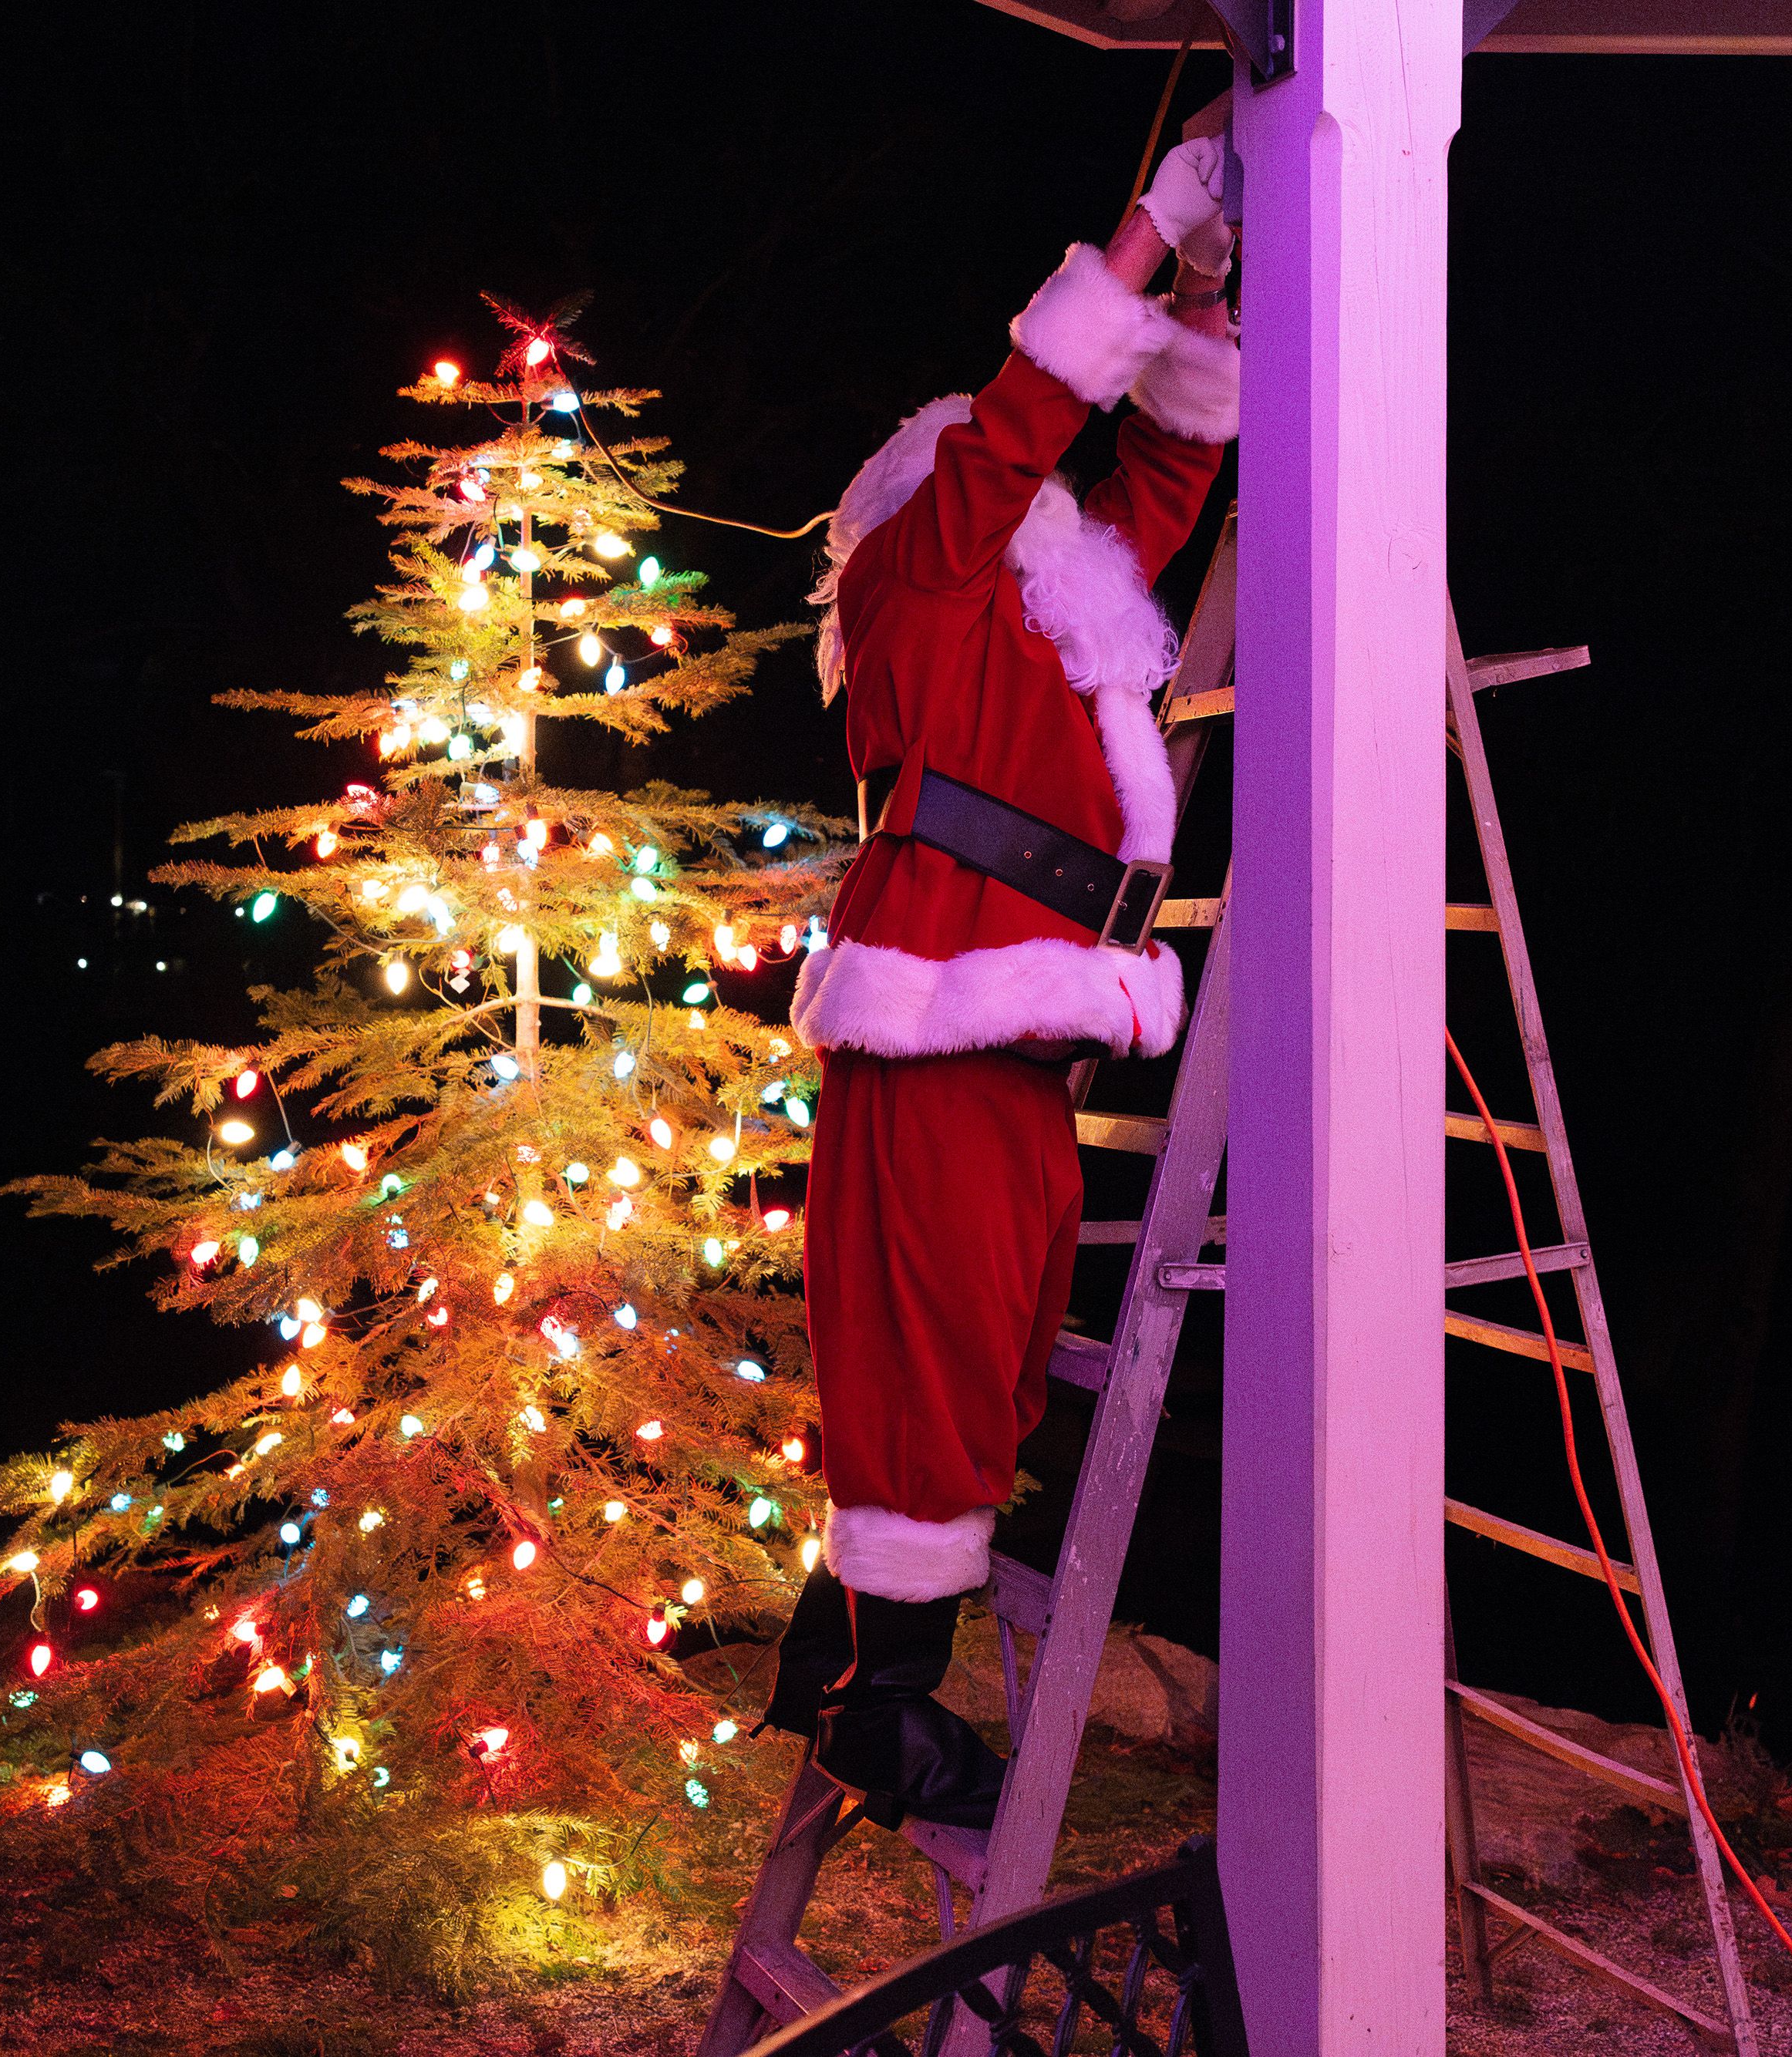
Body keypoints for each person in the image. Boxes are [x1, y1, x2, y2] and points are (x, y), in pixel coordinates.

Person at [761, 136, 1241, 1830]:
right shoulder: (919, 578)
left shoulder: (1050, 607)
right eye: (999, 484)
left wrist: (1198, 306)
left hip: (1028, 1028)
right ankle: (877, 1710)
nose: (1035, 503)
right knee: (930, 1348)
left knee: (998, 1345)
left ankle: (836, 1649)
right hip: (935, 1005)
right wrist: (1137, 233)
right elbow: (1012, 432)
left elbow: (1159, 488)